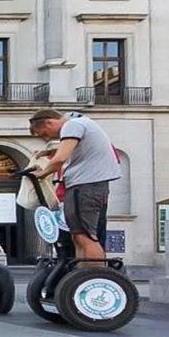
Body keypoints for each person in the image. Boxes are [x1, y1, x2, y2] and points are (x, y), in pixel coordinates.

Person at [29, 109, 119, 264]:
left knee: (86, 236)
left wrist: (42, 174)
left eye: (44, 133)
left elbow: (60, 159)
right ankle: (82, 275)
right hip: (86, 185)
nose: (47, 138)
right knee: (78, 235)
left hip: (85, 186)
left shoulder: (72, 126)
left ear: (49, 122)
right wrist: (49, 151)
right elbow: (77, 148)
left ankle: (94, 276)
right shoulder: (81, 124)